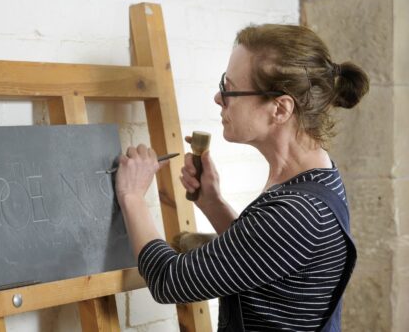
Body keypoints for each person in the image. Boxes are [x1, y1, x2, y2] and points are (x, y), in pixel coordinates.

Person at [115, 24, 369, 331]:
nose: (218, 98)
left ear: (280, 108)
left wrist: (131, 195)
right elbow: (264, 259)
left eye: (230, 89)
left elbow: (170, 281)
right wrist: (213, 203)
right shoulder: (313, 178)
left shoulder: (299, 212)